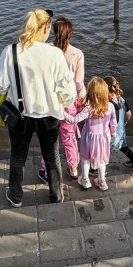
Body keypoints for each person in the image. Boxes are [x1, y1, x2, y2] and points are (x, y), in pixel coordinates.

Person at [0, 9, 77, 207]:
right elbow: (69, 94)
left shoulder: (10, 51)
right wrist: (61, 102)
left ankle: (16, 197)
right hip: (49, 116)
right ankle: (56, 195)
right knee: (52, 156)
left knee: (18, 157)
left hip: (19, 116)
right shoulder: (55, 54)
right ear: (47, 27)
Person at [39, 17, 85, 182]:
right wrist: (83, 100)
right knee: (69, 138)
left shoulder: (45, 50)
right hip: (68, 103)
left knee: (49, 139)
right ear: (70, 34)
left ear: (53, 32)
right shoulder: (77, 54)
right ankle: (73, 169)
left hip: (49, 103)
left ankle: (45, 168)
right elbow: (79, 83)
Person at [65, 77, 116, 191]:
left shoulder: (89, 108)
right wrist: (113, 133)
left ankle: (85, 180)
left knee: (85, 159)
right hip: (103, 138)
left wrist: (61, 112)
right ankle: (102, 181)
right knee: (102, 160)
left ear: (91, 93)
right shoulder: (110, 106)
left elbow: (74, 120)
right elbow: (113, 122)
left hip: (88, 138)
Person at [105, 76, 133, 167]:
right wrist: (124, 122)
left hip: (111, 133)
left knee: (103, 150)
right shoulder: (121, 100)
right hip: (121, 131)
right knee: (123, 146)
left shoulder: (109, 104)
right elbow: (129, 114)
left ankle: (96, 169)